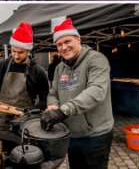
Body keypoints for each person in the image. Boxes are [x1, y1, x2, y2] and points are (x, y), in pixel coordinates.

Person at [42, 19, 114, 169]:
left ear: (78, 39)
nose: (64, 47)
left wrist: (63, 111)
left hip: (96, 135)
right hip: (71, 134)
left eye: (67, 41)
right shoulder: (60, 68)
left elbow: (96, 91)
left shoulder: (96, 60)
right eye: (59, 44)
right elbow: (53, 92)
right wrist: (53, 105)